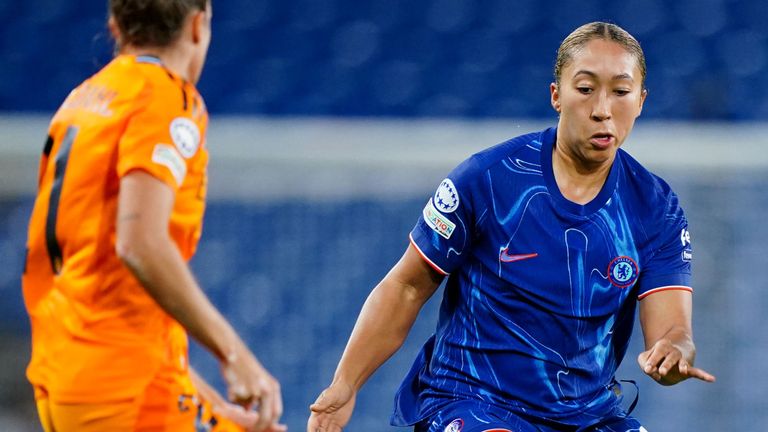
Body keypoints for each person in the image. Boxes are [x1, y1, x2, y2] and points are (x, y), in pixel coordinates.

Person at [308, 21, 716, 432]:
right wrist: (345, 384)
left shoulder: (655, 209)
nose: (602, 109)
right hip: (473, 401)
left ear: (641, 100)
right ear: (557, 95)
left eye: (621, 92)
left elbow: (672, 328)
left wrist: (674, 351)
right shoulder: (488, 178)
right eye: (586, 88)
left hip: (586, 417)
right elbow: (408, 286)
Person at [21, 1, 284, 431]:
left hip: (71, 368)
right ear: (198, 26)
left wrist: (211, 406)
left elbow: (108, 279)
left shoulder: (83, 100)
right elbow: (139, 243)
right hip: (118, 380)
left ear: (115, 27)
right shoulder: (166, 98)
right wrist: (233, 355)